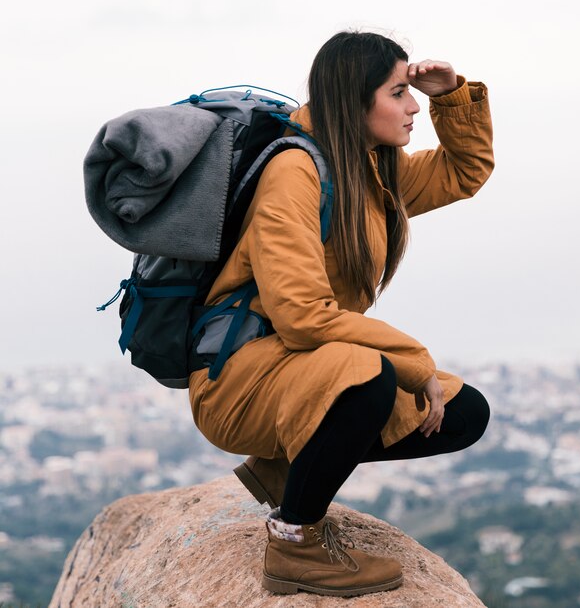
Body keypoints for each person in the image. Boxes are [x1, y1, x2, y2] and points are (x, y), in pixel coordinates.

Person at [188, 30, 495, 597]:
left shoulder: (371, 172)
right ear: (355, 100)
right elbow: (302, 315)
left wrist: (451, 95)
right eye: (399, 93)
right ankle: (296, 543)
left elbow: (463, 173)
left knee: (464, 411)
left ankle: (282, 471)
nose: (412, 109)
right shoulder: (295, 174)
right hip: (240, 377)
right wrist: (413, 359)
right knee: (372, 375)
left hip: (303, 369)